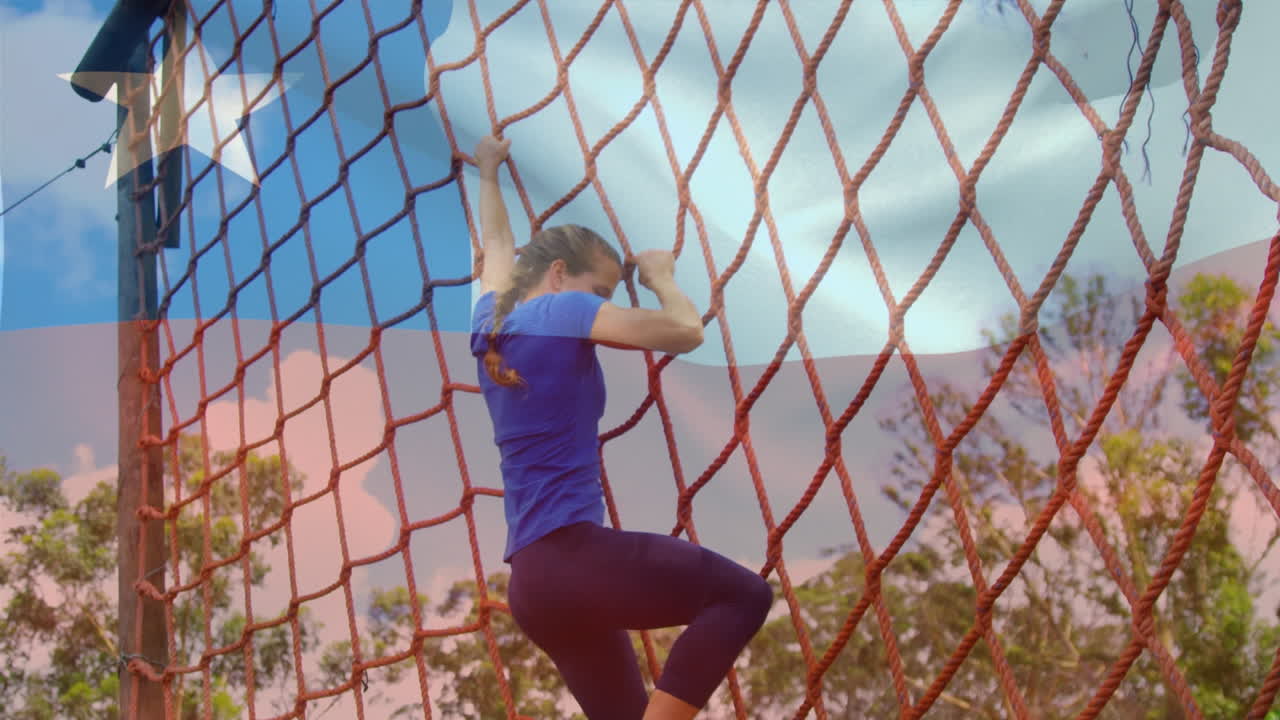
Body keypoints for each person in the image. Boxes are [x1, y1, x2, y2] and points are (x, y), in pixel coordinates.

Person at [468, 134, 773, 720]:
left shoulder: (488, 322)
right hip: (573, 557)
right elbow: (686, 332)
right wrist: (660, 276)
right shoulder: (563, 309)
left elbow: (498, 244)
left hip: (534, 587)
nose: (604, 302)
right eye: (601, 291)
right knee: (743, 595)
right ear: (558, 274)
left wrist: (488, 170)